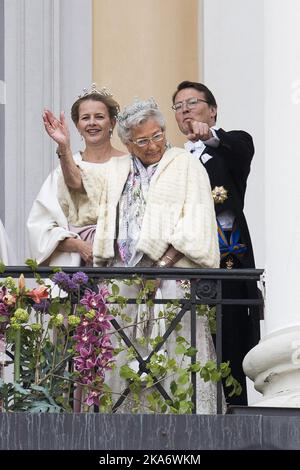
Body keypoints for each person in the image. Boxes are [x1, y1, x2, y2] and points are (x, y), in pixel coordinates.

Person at [58, 97, 224, 413]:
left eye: (157, 136)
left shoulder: (184, 163)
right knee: (120, 355)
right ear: (129, 145)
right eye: (142, 140)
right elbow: (80, 191)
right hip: (121, 276)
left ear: (164, 132)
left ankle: (185, 426)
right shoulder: (117, 169)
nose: (152, 146)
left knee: (174, 353)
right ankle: (120, 425)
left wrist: (159, 268)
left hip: (171, 277)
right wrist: (65, 148)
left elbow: (197, 219)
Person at [172, 80, 261, 405]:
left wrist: (208, 136)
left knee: (231, 351)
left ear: (212, 109)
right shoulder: (173, 160)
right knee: (187, 350)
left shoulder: (233, 146)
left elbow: (235, 147)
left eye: (192, 102)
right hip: (184, 268)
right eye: (178, 106)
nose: (185, 110)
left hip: (228, 265)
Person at [27, 83, 127, 266]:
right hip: (75, 267)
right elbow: (40, 228)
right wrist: (79, 245)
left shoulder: (129, 165)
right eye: (85, 118)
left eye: (99, 117)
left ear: (112, 122)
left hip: (120, 264)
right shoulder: (63, 170)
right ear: (77, 125)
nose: (92, 123)